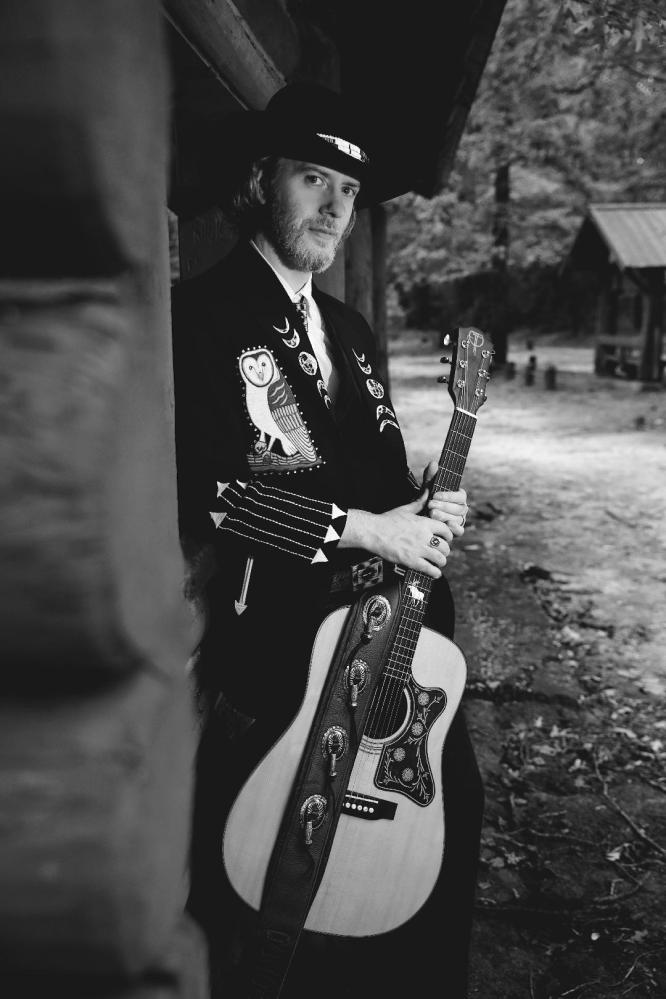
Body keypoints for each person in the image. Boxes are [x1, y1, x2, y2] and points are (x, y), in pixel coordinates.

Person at [171, 82, 484, 999]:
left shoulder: (348, 331)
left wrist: (427, 505)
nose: (336, 207)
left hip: (398, 636)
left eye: (348, 190)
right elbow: (216, 497)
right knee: (274, 872)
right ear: (259, 181)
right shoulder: (200, 317)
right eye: (314, 178)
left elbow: (381, 480)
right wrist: (365, 529)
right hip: (283, 636)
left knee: (449, 815)